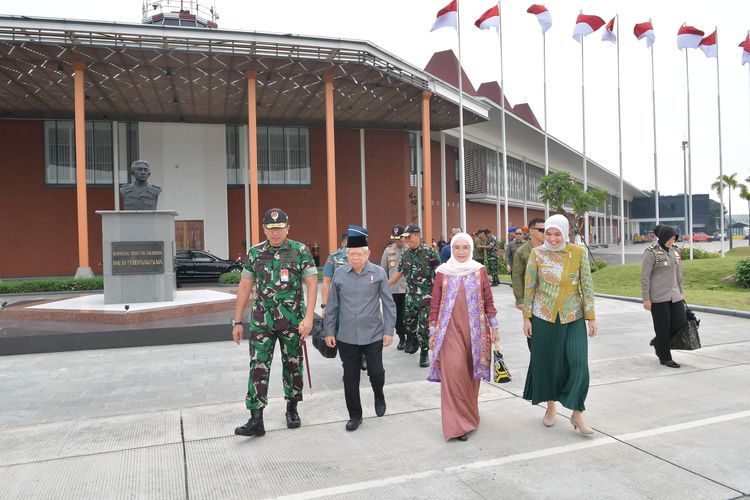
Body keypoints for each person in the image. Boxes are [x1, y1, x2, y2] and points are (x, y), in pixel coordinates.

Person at [232, 208, 318, 437]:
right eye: (271, 228)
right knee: (258, 366)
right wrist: (237, 321)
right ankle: (256, 419)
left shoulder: (300, 251)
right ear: (264, 229)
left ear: (288, 228)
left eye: (280, 228)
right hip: (262, 322)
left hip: (292, 321)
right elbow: (244, 286)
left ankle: (292, 409)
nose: (276, 232)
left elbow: (311, 284)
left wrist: (309, 317)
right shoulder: (255, 253)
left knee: (293, 365)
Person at [522, 214, 597, 435]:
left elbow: (587, 285)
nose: (553, 238)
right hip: (543, 317)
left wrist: (591, 316)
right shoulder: (537, 253)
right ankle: (551, 406)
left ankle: (577, 413)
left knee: (578, 363)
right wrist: (527, 317)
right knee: (549, 363)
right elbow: (530, 287)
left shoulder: (578, 253)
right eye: (548, 234)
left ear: (565, 233)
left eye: (557, 234)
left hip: (573, 315)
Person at [427, 233, 499, 441]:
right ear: (451, 249)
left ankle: (469, 415)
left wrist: (494, 327)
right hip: (449, 331)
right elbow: (435, 302)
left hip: (475, 332)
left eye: (465, 248)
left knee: (470, 374)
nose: (460, 252)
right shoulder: (443, 271)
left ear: (471, 249)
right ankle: (456, 425)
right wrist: (433, 331)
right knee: (455, 372)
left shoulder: (479, 271)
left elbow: (488, 300)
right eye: (456, 248)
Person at [324, 225, 396, 431]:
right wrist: (329, 331)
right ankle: (355, 415)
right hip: (347, 337)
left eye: (359, 254)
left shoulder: (379, 273)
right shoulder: (339, 275)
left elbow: (389, 304)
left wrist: (388, 331)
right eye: (352, 254)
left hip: (373, 334)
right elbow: (332, 306)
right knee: (350, 378)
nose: (355, 258)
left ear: (368, 254)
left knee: (376, 372)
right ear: (346, 254)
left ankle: (379, 394)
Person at [388, 223, 440, 367]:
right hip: (410, 295)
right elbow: (399, 272)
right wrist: (385, 285)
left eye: (409, 237)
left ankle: (424, 354)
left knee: (424, 326)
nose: (407, 240)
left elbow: (439, 273)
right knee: (408, 323)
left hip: (426, 296)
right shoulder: (406, 253)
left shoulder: (430, 252)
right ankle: (413, 339)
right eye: (405, 238)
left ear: (417, 235)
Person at [641, 224, 685, 369]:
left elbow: (679, 274)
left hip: (675, 294)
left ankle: (658, 342)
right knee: (662, 328)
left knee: (680, 322)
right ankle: (665, 357)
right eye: (671, 238)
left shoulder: (675, 251)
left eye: (674, 238)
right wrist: (646, 299)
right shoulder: (651, 252)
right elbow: (645, 277)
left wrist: (681, 292)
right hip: (658, 297)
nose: (673, 240)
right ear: (664, 237)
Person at [322, 232, 368, 371]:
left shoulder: (364, 256)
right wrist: (325, 305)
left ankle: (363, 356)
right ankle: (347, 365)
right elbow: (326, 282)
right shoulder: (334, 258)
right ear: (344, 242)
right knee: (342, 336)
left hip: (361, 304)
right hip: (341, 306)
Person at [512, 217, 546, 351]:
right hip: (530, 300)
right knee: (533, 334)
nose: (545, 233)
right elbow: (516, 277)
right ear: (532, 231)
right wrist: (520, 300)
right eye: (542, 230)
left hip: (548, 299)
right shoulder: (522, 252)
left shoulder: (550, 249)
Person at [381, 224, 408, 350]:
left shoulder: (410, 249)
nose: (398, 241)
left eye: (400, 238)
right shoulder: (388, 251)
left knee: (408, 316)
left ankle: (411, 339)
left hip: (408, 290)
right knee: (397, 317)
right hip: (394, 290)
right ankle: (402, 338)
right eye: (395, 238)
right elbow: (383, 271)